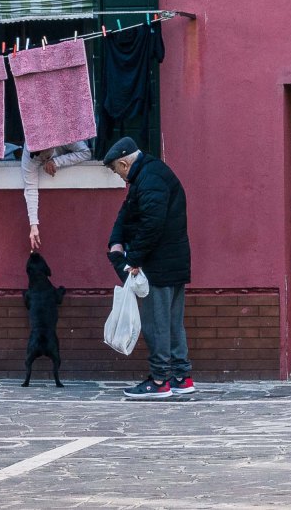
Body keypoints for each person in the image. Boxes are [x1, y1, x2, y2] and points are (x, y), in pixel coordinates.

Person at [103, 136, 193, 399]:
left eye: (115, 169)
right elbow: (128, 214)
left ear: (123, 162)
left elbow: (151, 224)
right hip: (173, 262)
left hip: (159, 264)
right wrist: (116, 241)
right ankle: (181, 377)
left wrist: (134, 260)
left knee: (156, 323)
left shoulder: (149, 179)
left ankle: (160, 381)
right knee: (174, 323)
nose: (117, 175)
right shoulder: (149, 174)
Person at [21, 141, 91, 250]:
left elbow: (86, 153)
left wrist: (56, 161)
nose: (43, 160)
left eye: (46, 156)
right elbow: (30, 189)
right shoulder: (29, 155)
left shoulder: (66, 136)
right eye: (39, 157)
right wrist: (33, 225)